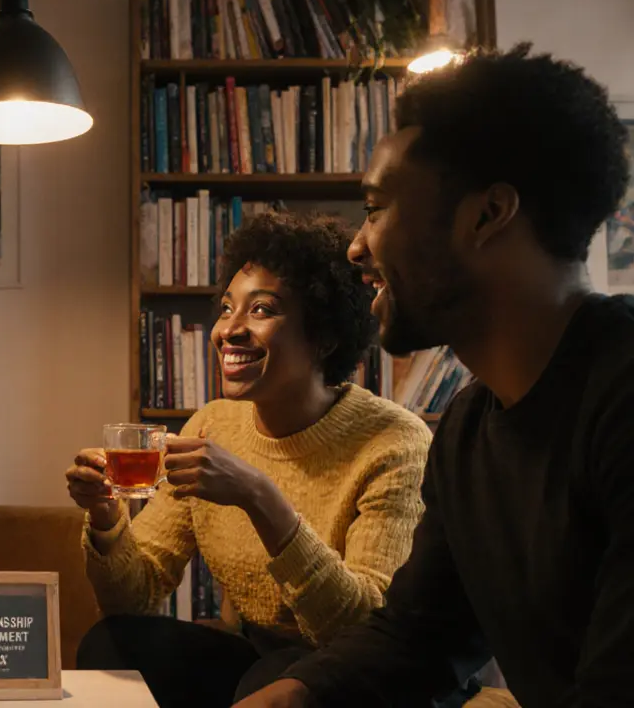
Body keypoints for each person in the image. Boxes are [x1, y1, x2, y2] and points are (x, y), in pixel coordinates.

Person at [237, 44, 634, 708]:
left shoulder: (622, 403)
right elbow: (420, 637)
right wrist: (294, 693)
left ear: (486, 215)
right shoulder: (471, 431)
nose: (356, 247)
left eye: (376, 207)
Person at [68, 212, 433, 707]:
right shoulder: (212, 426)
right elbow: (135, 597)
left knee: (272, 677)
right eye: (226, 309)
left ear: (324, 336)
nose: (228, 331)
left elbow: (365, 629)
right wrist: (107, 517)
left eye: (261, 310)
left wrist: (259, 496)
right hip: (257, 657)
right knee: (110, 643)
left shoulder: (394, 442)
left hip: (362, 676)